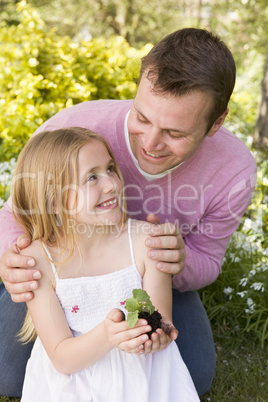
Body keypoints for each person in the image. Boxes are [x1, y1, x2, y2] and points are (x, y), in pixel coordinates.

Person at [0, 28, 256, 397]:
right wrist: (13, 258)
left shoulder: (234, 170)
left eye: (174, 132)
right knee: (8, 374)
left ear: (215, 123)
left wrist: (177, 260)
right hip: (67, 266)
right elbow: (15, 212)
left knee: (194, 374)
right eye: (142, 117)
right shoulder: (74, 130)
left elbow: (207, 263)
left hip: (145, 269)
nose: (150, 143)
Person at [12, 127, 199, 401]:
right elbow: (63, 358)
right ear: (53, 201)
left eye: (110, 168)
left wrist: (156, 337)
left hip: (142, 375)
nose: (111, 184)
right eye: (91, 177)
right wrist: (108, 335)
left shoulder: (146, 242)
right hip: (75, 379)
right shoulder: (40, 261)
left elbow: (163, 321)